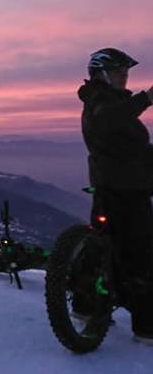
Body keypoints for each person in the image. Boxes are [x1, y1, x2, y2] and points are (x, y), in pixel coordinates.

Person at [78, 47, 153, 343]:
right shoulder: (101, 102)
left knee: (102, 246)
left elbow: (126, 147)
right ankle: (147, 327)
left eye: (126, 72)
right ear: (102, 74)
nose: (124, 76)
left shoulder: (104, 101)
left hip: (116, 184)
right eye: (119, 71)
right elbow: (110, 122)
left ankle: (86, 306)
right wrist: (146, 98)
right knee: (141, 254)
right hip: (126, 189)